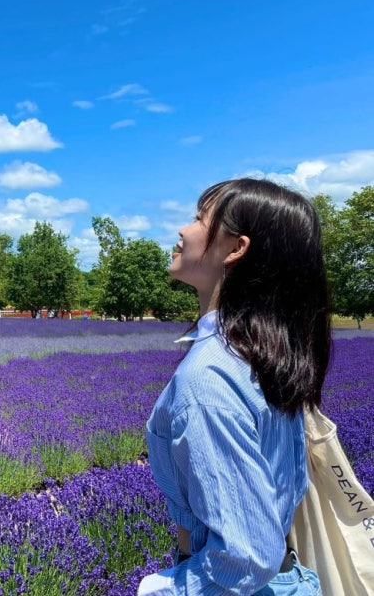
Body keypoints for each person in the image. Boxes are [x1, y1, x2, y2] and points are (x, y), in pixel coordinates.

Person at [138, 178, 330, 595]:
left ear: (236, 248)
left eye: (199, 219)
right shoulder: (266, 357)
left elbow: (246, 557)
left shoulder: (209, 377)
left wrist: (156, 588)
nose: (183, 230)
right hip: (289, 581)